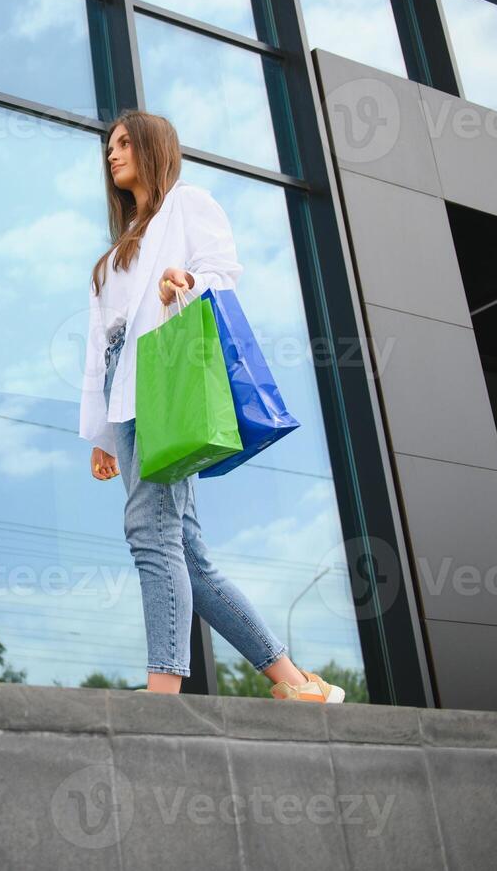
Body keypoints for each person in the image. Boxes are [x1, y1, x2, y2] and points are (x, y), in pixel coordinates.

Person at [78, 110, 343, 703]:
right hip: (126, 390)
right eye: (109, 146)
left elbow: (223, 273)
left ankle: (163, 688)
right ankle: (298, 685)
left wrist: (185, 281)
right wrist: (100, 431)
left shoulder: (188, 205)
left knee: (150, 530)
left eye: (124, 143)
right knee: (188, 554)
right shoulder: (114, 253)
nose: (112, 154)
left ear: (152, 149)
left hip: (165, 376)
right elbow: (101, 347)